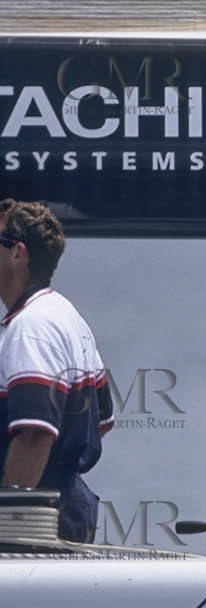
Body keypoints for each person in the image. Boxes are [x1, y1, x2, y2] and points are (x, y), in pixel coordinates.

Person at [0, 199, 113, 542]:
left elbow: (35, 435)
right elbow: (103, 419)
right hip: (67, 504)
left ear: (17, 253)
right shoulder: (66, 316)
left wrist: (10, 522)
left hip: (38, 517)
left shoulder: (31, 326)